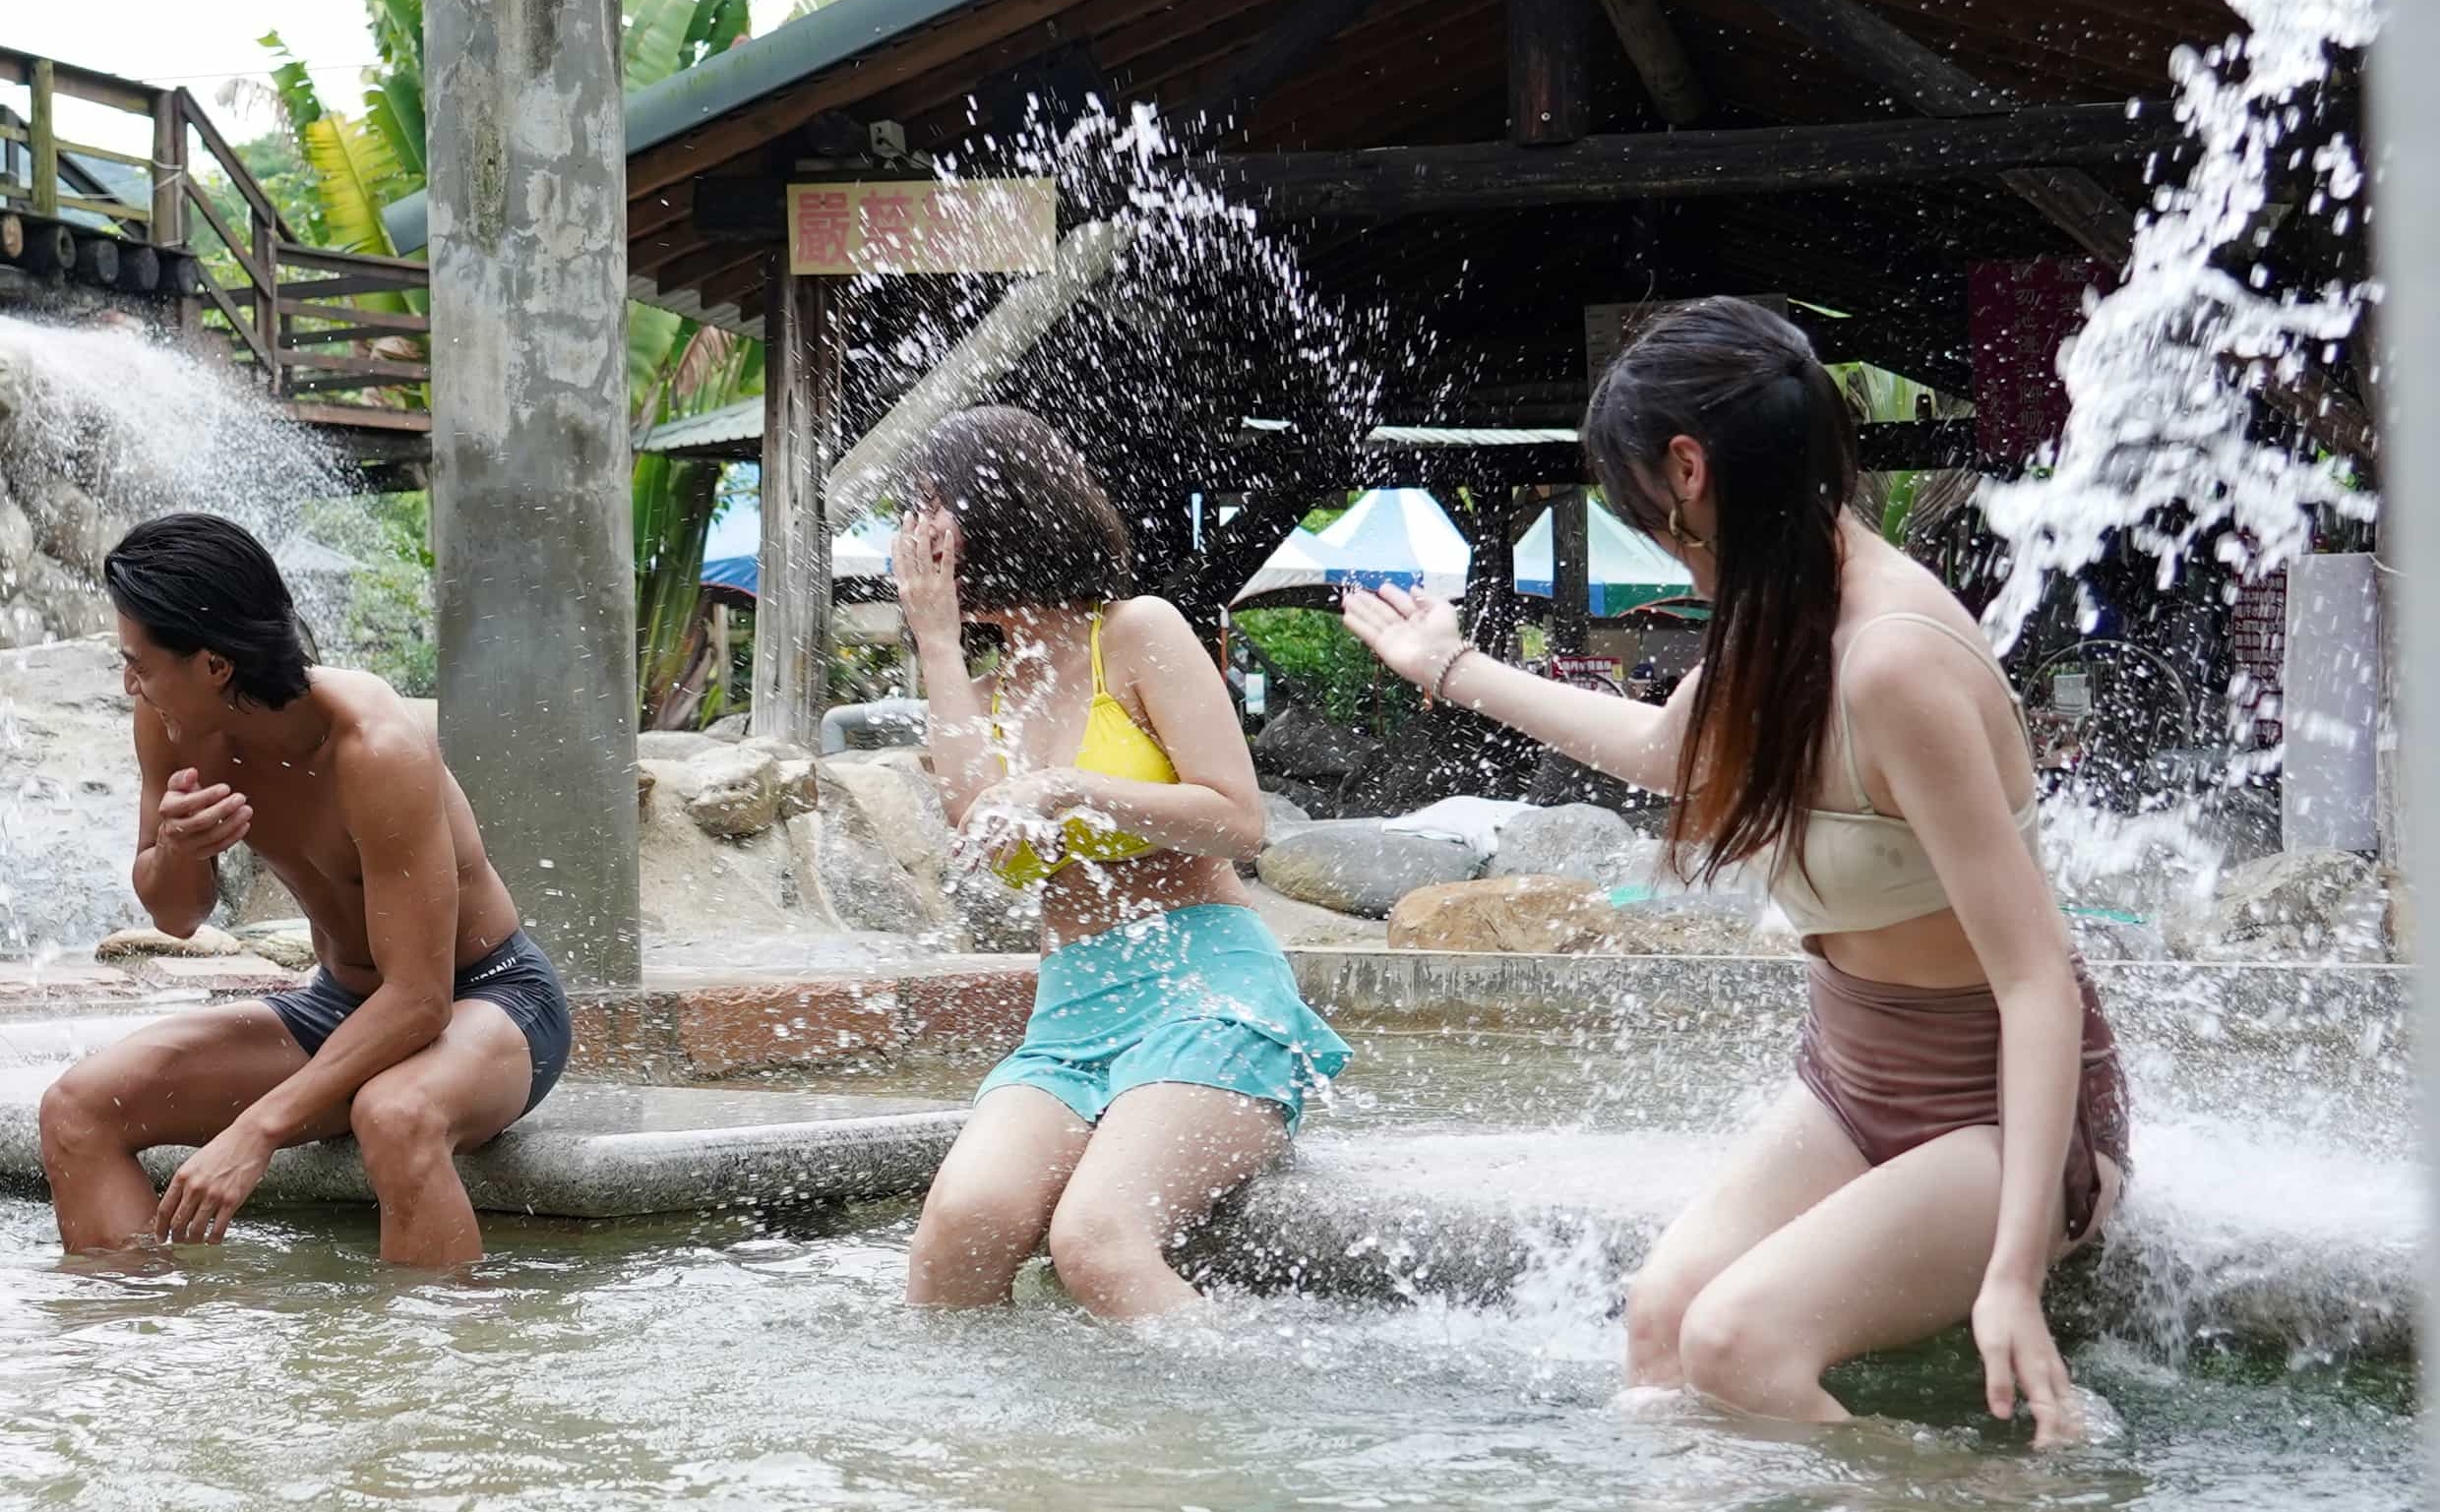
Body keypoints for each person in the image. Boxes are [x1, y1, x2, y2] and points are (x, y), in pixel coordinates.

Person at [1339, 296, 2124, 1445]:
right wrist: (1449, 665)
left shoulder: (1891, 660)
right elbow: (1666, 752)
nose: (1651, 537)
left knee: (1736, 1343)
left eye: (1643, 510)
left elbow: (2037, 978)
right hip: (1852, 1083)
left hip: (2002, 1120)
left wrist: (2011, 1270)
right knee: (1661, 1318)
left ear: (1689, 468)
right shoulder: (1781, 606)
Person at [899, 408, 1351, 1318]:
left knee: (1095, 1242)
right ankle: (974, 1451)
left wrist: (1074, 788)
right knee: (960, 1225)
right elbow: (982, 829)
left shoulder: (1137, 633)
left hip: (1205, 986)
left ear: (994, 516)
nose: (915, 542)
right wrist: (938, 643)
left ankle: (1238, 1442)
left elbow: (1238, 821)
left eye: (929, 515)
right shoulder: (978, 692)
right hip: (1071, 1011)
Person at [36, 513, 570, 1269]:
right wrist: (179, 849)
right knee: (80, 1107)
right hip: (339, 1005)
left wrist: (257, 1131)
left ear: (216, 665)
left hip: (488, 998)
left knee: (395, 1113)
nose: (130, 682)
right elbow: (176, 915)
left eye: (141, 663)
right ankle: (148, 1358)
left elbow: (422, 1000)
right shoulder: (171, 722)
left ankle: (446, 1373)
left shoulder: (374, 746)